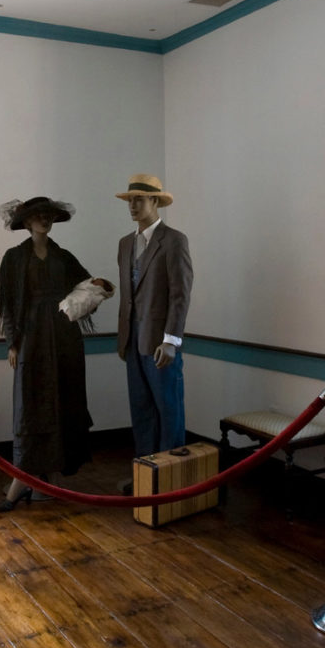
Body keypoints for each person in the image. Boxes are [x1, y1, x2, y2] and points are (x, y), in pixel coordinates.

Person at [0, 196, 110, 511]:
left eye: (48, 215)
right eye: (37, 216)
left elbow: (87, 287)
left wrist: (99, 287)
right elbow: (7, 304)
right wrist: (12, 343)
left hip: (64, 338)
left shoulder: (64, 257)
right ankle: (24, 480)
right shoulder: (15, 258)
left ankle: (53, 477)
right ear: (27, 222)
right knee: (31, 404)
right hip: (31, 337)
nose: (43, 220)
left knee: (63, 401)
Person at [115, 173, 193, 459]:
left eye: (139, 199)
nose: (132, 205)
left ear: (155, 201)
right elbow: (130, 295)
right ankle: (146, 477)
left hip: (161, 341)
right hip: (132, 340)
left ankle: (170, 482)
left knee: (168, 408)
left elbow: (180, 295)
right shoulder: (125, 244)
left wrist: (172, 340)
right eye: (130, 200)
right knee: (141, 410)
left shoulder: (173, 241)